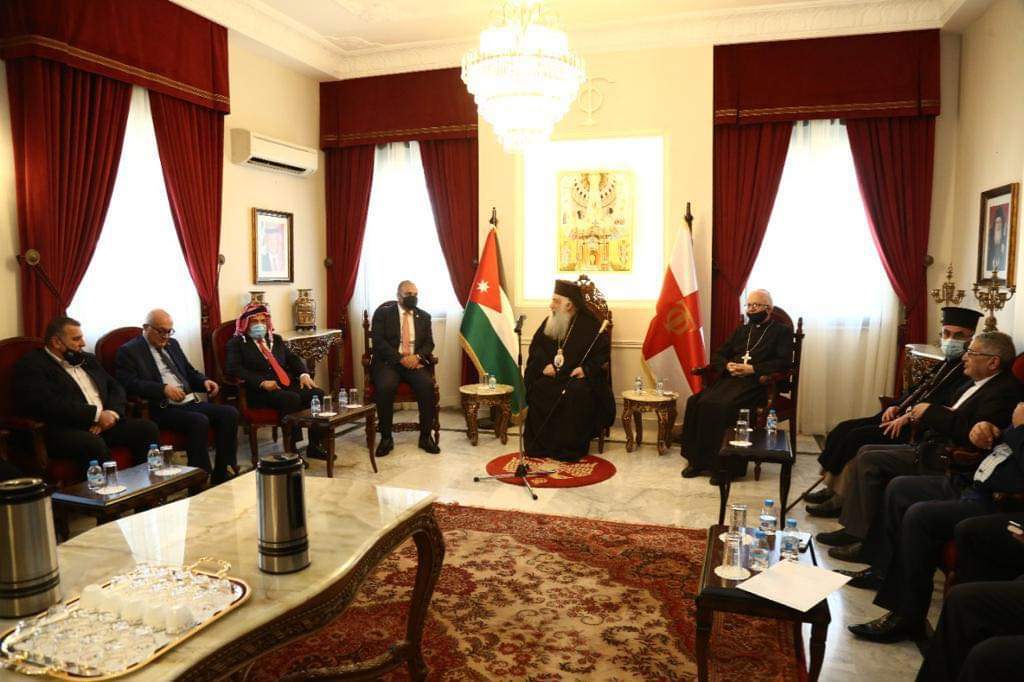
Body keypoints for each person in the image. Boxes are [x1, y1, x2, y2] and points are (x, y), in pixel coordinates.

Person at [817, 332, 1021, 565]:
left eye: (972, 352)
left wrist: (930, 412)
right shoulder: (974, 382)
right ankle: (856, 531)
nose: (965, 357)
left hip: (947, 458)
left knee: (870, 459)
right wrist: (915, 414)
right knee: (864, 451)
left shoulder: (1005, 391)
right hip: (929, 444)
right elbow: (949, 409)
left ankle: (863, 538)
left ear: (993, 362)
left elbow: (972, 432)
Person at [847, 402, 1024, 644]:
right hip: (971, 481)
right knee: (900, 487)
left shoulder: (1009, 397)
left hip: (999, 502)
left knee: (920, 516)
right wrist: (988, 429)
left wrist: (1020, 428)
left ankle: (907, 617)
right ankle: (880, 571)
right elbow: (1001, 442)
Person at [807, 307, 982, 515]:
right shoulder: (946, 362)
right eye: (946, 333)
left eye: (958, 335)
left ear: (971, 338)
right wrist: (896, 405)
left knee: (856, 437)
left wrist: (907, 416)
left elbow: (943, 408)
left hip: (914, 428)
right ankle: (831, 487)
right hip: (899, 414)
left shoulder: (968, 371)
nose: (950, 340)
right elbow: (915, 390)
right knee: (842, 429)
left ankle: (840, 499)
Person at [12, 316, 159, 471]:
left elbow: (115, 387)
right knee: (93, 444)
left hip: (104, 423)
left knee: (146, 428)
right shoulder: (33, 365)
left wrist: (112, 413)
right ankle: (109, 486)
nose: (82, 343)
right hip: (67, 429)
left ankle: (148, 481)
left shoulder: (87, 359)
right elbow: (48, 404)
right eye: (76, 339)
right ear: (56, 342)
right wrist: (95, 415)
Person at [115, 309, 240, 485]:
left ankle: (223, 472)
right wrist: (162, 389)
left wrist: (204, 381)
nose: (166, 336)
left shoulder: (172, 344)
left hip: (187, 401)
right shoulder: (129, 351)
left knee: (229, 413)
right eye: (161, 331)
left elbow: (189, 371)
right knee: (199, 420)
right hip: (161, 407)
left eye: (169, 331)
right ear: (146, 327)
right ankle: (199, 478)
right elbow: (129, 383)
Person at [680, 289, 792, 480]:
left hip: (757, 384)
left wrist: (753, 369)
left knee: (725, 407)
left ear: (769, 309)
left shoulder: (781, 331)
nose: (751, 309)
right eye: (749, 305)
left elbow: (784, 362)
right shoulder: (742, 330)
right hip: (730, 380)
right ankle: (697, 462)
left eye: (756, 305)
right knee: (695, 402)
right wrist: (727, 365)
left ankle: (723, 467)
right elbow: (719, 354)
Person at [523, 279, 614, 462]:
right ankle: (540, 446)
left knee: (574, 393)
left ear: (569, 305)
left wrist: (585, 369)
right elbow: (536, 348)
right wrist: (544, 365)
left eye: (556, 301)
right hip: (553, 374)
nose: (551, 305)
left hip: (576, 378)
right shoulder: (550, 322)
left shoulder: (590, 325)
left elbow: (602, 354)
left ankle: (568, 448)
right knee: (540, 388)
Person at [225, 303, 324, 452]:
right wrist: (261, 382)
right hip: (259, 391)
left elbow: (292, 358)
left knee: (317, 393)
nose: (259, 325)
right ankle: (292, 450)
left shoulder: (275, 339)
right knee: (291, 399)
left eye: (263, 321)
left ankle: (315, 446)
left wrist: (303, 374)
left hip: (285, 385)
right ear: (246, 324)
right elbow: (233, 368)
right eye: (254, 321)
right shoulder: (237, 343)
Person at [369, 281, 439, 456]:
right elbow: (378, 342)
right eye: (408, 294)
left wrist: (417, 357)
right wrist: (400, 359)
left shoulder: (424, 316)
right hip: (389, 363)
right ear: (398, 296)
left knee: (427, 385)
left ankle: (425, 437)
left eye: (415, 294)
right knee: (385, 387)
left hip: (414, 363)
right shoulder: (383, 314)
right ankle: (386, 438)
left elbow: (429, 343)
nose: (412, 298)